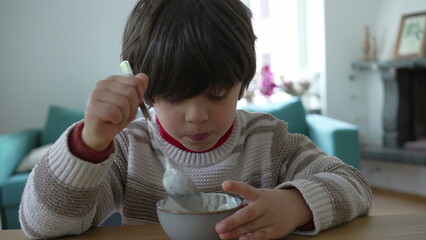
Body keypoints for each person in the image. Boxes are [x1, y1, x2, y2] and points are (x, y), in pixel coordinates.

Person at [19, 0, 372, 239]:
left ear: (242, 82)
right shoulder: (129, 148)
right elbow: (42, 226)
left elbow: (353, 184)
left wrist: (295, 205)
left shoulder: (269, 141)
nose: (197, 116)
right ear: (146, 92)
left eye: (217, 94)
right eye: (173, 97)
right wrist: (91, 142)